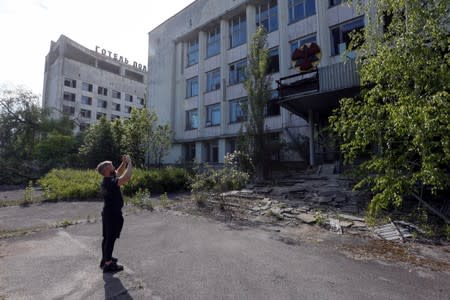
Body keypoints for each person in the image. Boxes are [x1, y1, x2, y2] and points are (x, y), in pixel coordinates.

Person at [96, 154, 132, 273]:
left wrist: (124, 163)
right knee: (110, 239)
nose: (113, 165)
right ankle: (108, 264)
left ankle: (105, 259)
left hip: (108, 213)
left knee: (107, 238)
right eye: (110, 164)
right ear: (106, 168)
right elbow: (126, 178)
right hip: (112, 214)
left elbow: (118, 171)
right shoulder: (109, 181)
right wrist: (130, 164)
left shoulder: (108, 178)